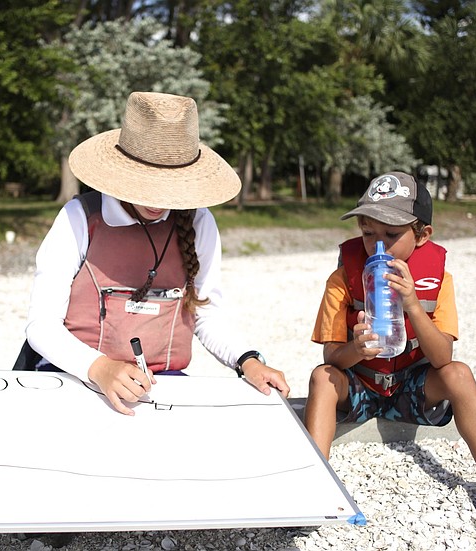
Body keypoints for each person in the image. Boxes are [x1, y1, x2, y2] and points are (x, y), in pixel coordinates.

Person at [304, 171, 476, 537]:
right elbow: (332, 358)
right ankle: (313, 485)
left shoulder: (439, 278)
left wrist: (411, 303)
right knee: (321, 377)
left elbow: (442, 358)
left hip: (412, 388)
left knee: (458, 372)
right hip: (361, 385)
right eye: (368, 233)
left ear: (423, 235)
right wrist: (354, 349)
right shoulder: (342, 277)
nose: (378, 245)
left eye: (392, 235)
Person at [23, 91, 290, 415]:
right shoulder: (80, 216)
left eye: (171, 185)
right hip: (74, 377)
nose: (157, 200)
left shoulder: (200, 221)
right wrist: (100, 368)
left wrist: (247, 360)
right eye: (148, 183)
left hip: (162, 385)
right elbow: (41, 325)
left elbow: (206, 313)